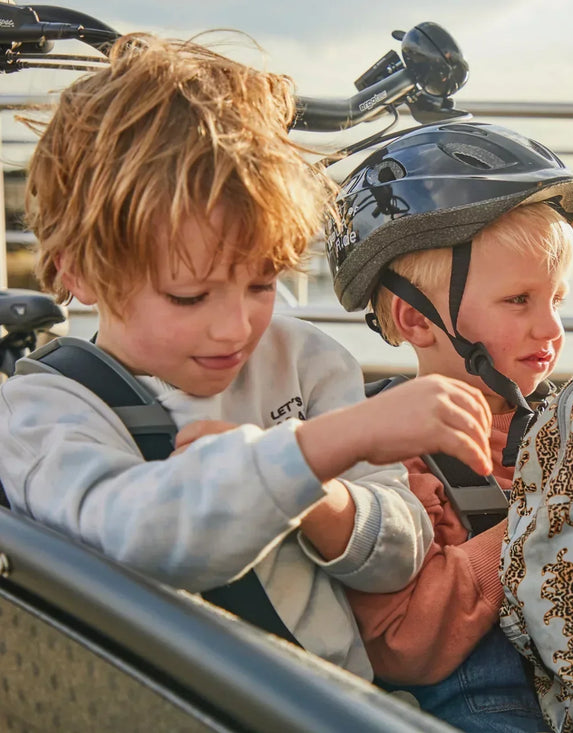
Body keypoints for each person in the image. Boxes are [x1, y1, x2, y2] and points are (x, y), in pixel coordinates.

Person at [0, 33, 496, 682]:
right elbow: (138, 534)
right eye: (188, 295)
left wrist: (320, 498)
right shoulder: (42, 413)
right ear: (80, 274)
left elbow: (400, 554)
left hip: (337, 703)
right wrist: (317, 447)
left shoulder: (300, 358)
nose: (237, 327)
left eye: (263, 282)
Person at [323, 121, 573, 731]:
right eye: (519, 301)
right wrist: (536, 517)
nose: (550, 328)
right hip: (482, 702)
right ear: (416, 320)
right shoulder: (389, 455)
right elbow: (403, 642)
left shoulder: (553, 421)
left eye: (556, 300)